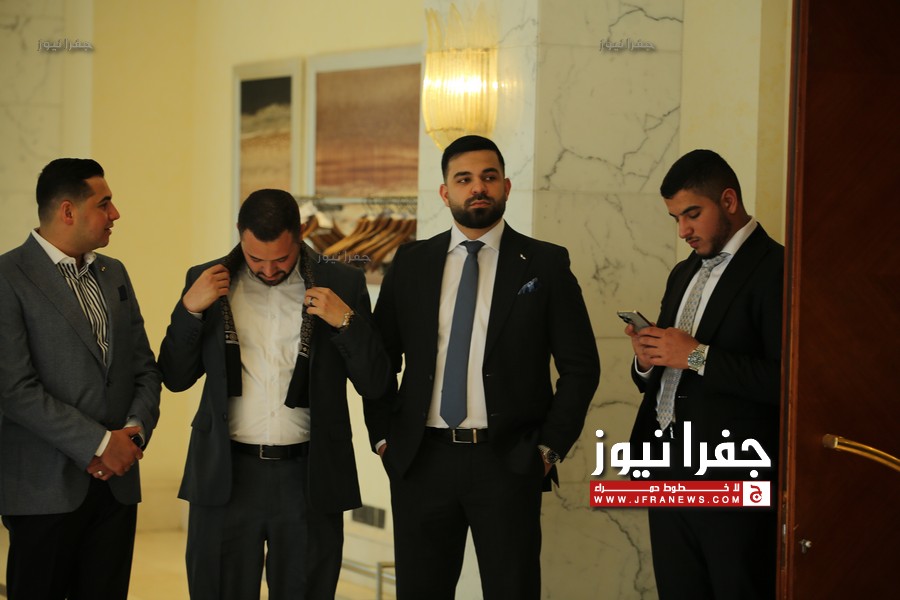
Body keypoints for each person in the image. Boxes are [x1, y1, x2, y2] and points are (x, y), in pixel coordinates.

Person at [364, 135, 600, 599]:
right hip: (421, 461)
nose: (478, 187)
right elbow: (380, 361)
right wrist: (384, 438)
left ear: (506, 186)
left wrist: (548, 450)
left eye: (489, 177)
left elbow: (581, 367)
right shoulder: (411, 262)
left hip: (508, 462)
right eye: (464, 179)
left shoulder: (546, 263)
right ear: (444, 192)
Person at [158, 188, 390, 600]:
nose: (268, 270)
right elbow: (175, 377)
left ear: (300, 234)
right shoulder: (207, 279)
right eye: (256, 259)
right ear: (239, 233)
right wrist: (189, 310)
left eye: (280, 259)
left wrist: (347, 323)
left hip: (309, 477)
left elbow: (376, 383)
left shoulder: (343, 282)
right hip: (225, 474)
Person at [0, 158, 161, 599]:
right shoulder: (8, 277)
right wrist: (99, 444)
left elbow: (144, 368)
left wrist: (132, 435)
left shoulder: (115, 273)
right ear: (68, 211)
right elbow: (14, 390)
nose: (115, 214)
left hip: (117, 489)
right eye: (104, 203)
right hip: (44, 489)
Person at [626, 149, 783, 599]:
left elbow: (786, 383)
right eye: (675, 218)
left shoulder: (778, 269)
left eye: (692, 215)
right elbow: (667, 370)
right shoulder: (683, 272)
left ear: (728, 201)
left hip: (734, 479)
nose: (683, 231)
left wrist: (696, 356)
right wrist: (647, 359)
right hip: (665, 471)